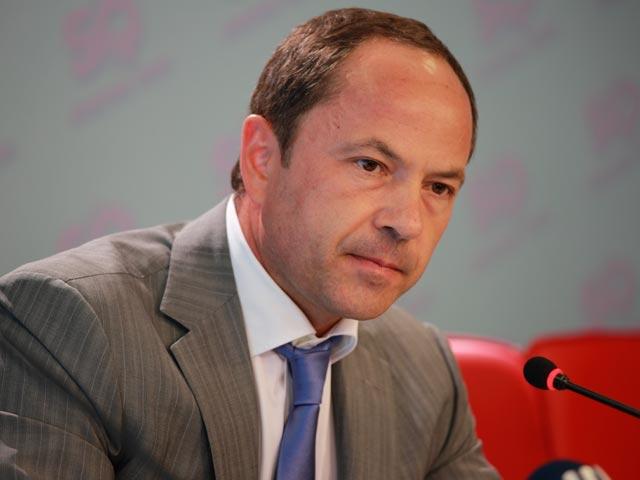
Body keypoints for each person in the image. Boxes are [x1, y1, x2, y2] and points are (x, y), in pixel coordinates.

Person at [0, 8, 499, 480]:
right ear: (262, 158)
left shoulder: (425, 368)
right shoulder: (73, 324)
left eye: (439, 187)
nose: (407, 222)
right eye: (371, 165)